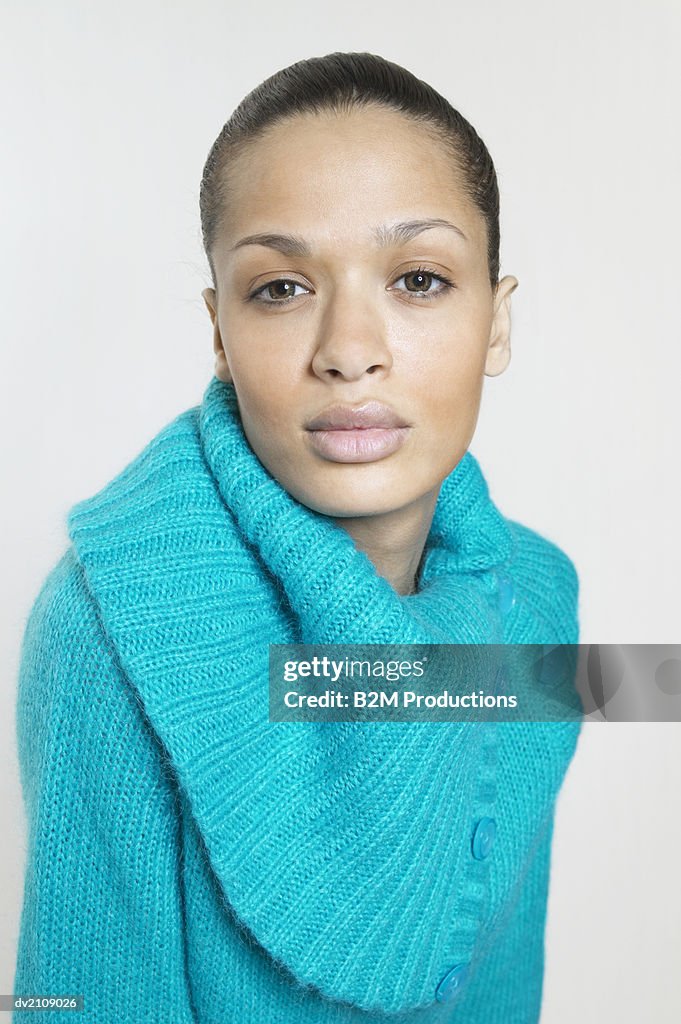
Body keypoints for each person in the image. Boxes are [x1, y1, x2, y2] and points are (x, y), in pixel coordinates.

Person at [13, 52, 582, 1023]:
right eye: (279, 288)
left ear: (498, 318)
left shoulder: (535, 595)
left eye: (418, 277)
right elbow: (76, 1002)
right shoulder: (110, 620)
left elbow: (500, 983)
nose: (349, 349)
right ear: (221, 331)